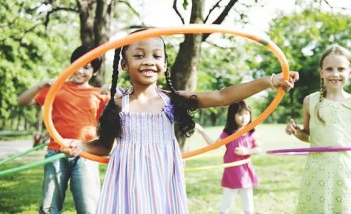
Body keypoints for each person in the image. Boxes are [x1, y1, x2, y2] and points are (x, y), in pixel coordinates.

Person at [63, 34, 299, 213]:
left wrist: (271, 81)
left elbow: (223, 96)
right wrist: (80, 147)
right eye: (138, 55)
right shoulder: (117, 103)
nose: (148, 61)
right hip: (126, 184)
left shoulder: (173, 100)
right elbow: (103, 146)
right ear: (124, 64)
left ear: (165, 64)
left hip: (163, 183)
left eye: (156, 56)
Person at [285, 46, 351, 213]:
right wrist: (296, 131)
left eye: (341, 69)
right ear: (321, 72)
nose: (335, 74)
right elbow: (308, 136)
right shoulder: (311, 101)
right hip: (317, 170)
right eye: (329, 69)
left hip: (344, 170)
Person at [17, 46, 109, 214]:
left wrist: (111, 94)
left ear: (94, 72)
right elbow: (22, 101)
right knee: (49, 207)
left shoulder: (99, 94)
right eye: (77, 64)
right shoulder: (56, 88)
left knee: (89, 207)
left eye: (87, 67)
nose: (80, 70)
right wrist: (40, 85)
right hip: (56, 152)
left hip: (85, 154)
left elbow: (113, 119)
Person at [195, 101, 261, 214]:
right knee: (227, 202)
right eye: (240, 114)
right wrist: (202, 132)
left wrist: (247, 151)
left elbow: (258, 149)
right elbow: (214, 145)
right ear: (232, 115)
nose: (244, 117)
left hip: (245, 172)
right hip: (231, 172)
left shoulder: (251, 133)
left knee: (248, 203)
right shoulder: (228, 133)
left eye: (246, 113)